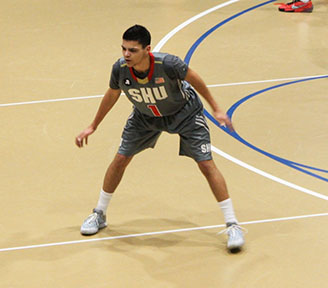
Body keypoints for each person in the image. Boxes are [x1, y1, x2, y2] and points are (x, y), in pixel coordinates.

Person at [75, 25, 245, 252]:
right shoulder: (120, 69)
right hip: (145, 117)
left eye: (133, 50)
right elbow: (112, 94)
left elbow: (194, 79)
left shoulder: (169, 64)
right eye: (124, 49)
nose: (126, 54)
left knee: (205, 163)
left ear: (147, 49)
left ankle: (232, 224)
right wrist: (93, 125)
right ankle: (99, 214)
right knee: (120, 159)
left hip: (184, 114)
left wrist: (216, 108)